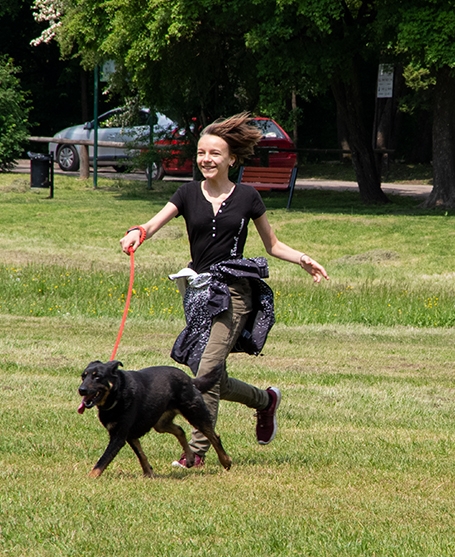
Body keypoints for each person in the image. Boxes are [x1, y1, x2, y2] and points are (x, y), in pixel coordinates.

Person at [119, 113, 329, 468]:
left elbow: (273, 245)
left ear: (232, 158)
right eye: (201, 153)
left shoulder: (247, 196)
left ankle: (197, 452)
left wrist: (304, 259)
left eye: (215, 153)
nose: (206, 159)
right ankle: (266, 401)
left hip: (234, 292)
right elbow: (153, 223)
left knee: (209, 368)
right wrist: (136, 233)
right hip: (199, 293)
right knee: (211, 374)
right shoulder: (186, 193)